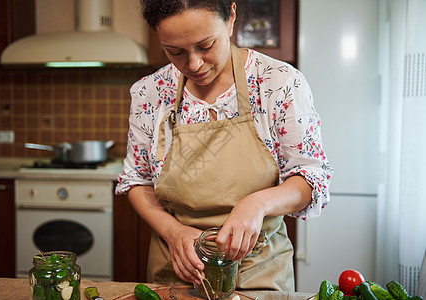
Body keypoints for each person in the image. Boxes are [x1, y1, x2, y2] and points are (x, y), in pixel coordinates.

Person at [116, 0, 333, 291]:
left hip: (258, 269)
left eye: (206, 46)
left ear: (231, 18)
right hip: (177, 269)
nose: (193, 65)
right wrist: (173, 232)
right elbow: (137, 182)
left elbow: (310, 178)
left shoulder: (278, 83)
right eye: (175, 52)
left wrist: (257, 204)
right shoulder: (150, 92)